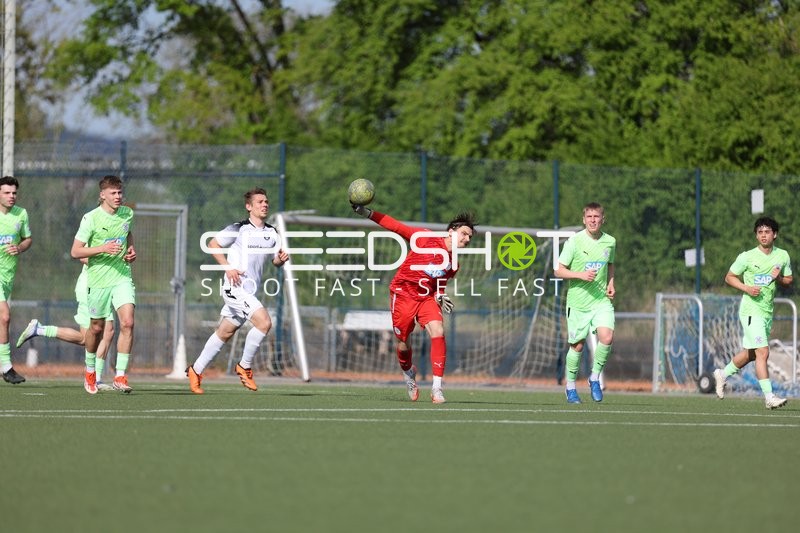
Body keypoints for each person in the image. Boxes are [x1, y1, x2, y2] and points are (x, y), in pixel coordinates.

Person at [352, 202, 475, 404]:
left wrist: (440, 295)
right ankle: (409, 372)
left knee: (438, 331)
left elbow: (439, 282)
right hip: (403, 294)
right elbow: (395, 226)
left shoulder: (454, 263)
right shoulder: (425, 237)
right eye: (464, 233)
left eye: (470, 237)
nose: (467, 239)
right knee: (403, 343)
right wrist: (367, 212)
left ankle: (437, 389)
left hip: (426, 298)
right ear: (451, 231)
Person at [187, 187, 289, 394]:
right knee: (264, 322)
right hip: (235, 289)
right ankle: (244, 366)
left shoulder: (272, 233)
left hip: (250, 292)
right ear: (249, 207)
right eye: (259, 202)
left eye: (266, 201)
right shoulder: (239, 228)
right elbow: (212, 244)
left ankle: (195, 371)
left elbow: (274, 261)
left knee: (225, 332)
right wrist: (228, 268)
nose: (265, 204)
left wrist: (280, 260)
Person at [713, 217, 792, 409]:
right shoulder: (747, 256)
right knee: (763, 352)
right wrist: (747, 288)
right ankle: (769, 397)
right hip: (750, 311)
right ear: (756, 235)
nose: (763, 235)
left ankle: (722, 374)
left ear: (775, 234)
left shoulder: (782, 255)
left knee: (752, 355)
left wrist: (779, 278)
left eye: (767, 232)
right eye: (760, 232)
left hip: (766, 312)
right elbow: (729, 277)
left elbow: (789, 280)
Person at [70, 175, 137, 394]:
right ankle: (90, 371)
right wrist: (102, 249)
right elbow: (76, 251)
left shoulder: (127, 213)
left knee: (127, 323)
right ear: (102, 195)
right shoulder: (91, 218)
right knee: (96, 329)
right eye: (113, 193)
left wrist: (130, 249)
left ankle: (120, 376)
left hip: (122, 277)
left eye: (120, 192)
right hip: (98, 280)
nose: (118, 197)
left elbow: (127, 233)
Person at [17, 260, 117, 392]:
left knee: (91, 337)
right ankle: (95, 378)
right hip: (92, 287)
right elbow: (81, 254)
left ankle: (40, 329)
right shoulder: (94, 239)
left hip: (102, 286)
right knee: (99, 334)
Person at [554, 202, 616, 404]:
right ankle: (570, 388)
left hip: (600, 301)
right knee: (577, 346)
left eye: (596, 217)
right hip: (578, 302)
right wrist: (580, 275)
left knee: (606, 337)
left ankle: (594, 377)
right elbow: (558, 270)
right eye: (589, 217)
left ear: (602, 219)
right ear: (584, 220)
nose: (593, 220)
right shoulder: (574, 242)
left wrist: (611, 283)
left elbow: (611, 264)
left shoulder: (610, 242)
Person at [0, 176, 32, 385]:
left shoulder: (21, 214)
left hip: (7, 276)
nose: (11, 196)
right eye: (6, 193)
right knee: (4, 316)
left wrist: (19, 247)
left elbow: (27, 238)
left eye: (14, 193)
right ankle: (6, 367)